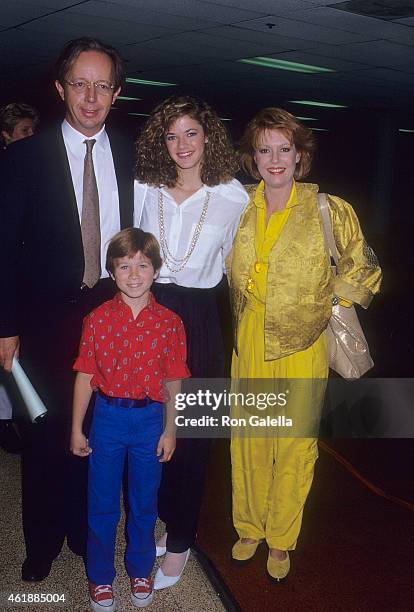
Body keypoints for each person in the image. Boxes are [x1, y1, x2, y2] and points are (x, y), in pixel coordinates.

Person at [227, 108, 382, 581]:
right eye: (264, 149)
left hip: (303, 340)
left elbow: (363, 266)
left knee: (294, 443)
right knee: (249, 438)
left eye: (284, 149)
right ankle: (250, 527)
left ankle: (281, 537)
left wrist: (325, 299)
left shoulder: (328, 209)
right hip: (250, 334)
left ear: (300, 155)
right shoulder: (240, 205)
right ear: (253, 158)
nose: (275, 159)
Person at [0, 37, 134, 582]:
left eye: (103, 85)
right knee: (46, 436)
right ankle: (41, 544)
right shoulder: (24, 156)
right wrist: (5, 327)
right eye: (80, 83)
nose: (91, 95)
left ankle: (84, 531)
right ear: (60, 88)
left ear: (117, 93)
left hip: (109, 317)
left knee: (98, 434)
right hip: (45, 320)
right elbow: (4, 246)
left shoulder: (129, 154)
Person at [134, 95, 249, 589]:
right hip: (150, 312)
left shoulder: (234, 196)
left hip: (200, 319)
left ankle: (182, 537)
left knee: (194, 431)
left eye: (191, 133)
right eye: (171, 135)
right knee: (150, 426)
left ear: (209, 138)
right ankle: (163, 517)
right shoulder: (143, 186)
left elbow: (238, 268)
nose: (182, 145)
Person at [71, 227, 190, 611]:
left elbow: (174, 379)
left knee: (144, 502)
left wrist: (171, 429)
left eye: (142, 265)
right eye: (124, 266)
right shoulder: (97, 318)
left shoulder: (170, 322)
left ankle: (140, 568)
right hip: (106, 419)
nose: (134, 274)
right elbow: (86, 375)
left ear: (156, 270)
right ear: (111, 271)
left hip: (150, 421)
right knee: (101, 502)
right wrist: (76, 427)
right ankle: (100, 577)